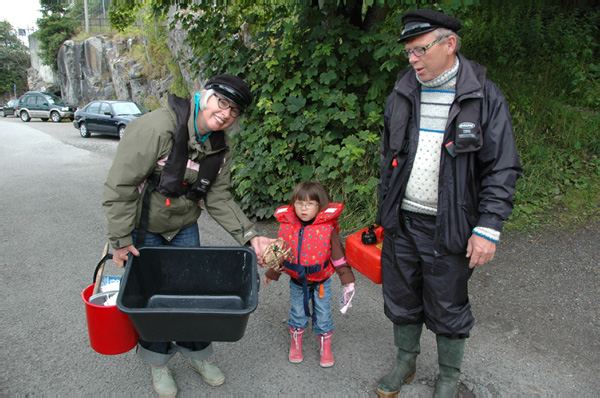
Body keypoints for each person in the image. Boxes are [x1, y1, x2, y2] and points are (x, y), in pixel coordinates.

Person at [375, 9, 522, 398]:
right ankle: (406, 361)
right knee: (401, 296)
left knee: (448, 304)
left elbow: (502, 166)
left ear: (449, 44)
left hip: (451, 226)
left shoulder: (483, 96)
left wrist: (488, 227)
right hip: (402, 221)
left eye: (420, 50)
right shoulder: (404, 89)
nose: (412, 59)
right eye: (408, 51)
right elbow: (388, 156)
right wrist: (385, 210)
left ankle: (448, 377)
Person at [102, 74, 275, 397]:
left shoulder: (220, 146)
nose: (226, 113)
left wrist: (251, 235)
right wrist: (121, 239)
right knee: (151, 297)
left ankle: (198, 354)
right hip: (145, 227)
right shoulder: (156, 128)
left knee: (194, 292)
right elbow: (121, 186)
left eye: (234, 110)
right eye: (222, 102)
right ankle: (158, 362)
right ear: (204, 97)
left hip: (184, 225)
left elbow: (218, 198)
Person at [263, 181, 356, 368]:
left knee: (323, 314)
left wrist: (347, 281)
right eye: (299, 203)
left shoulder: (327, 229)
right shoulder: (288, 227)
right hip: (297, 282)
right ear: (293, 204)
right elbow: (281, 255)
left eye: (310, 203)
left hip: (322, 282)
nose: (303, 208)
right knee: (297, 312)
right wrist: (271, 273)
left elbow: (338, 258)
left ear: (319, 206)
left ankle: (325, 345)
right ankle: (296, 343)